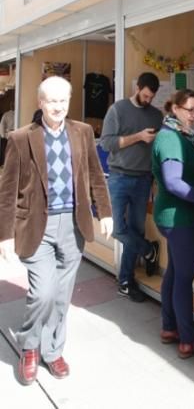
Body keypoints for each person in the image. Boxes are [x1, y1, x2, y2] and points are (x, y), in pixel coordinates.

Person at [0, 76, 113, 385]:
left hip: (73, 225)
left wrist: (103, 211)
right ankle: (30, 346)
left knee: (62, 296)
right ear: (40, 103)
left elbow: (94, 174)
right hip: (37, 225)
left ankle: (52, 351)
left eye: (63, 100)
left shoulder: (83, 132)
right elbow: (7, 190)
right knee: (43, 293)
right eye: (52, 101)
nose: (58, 107)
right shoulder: (21, 138)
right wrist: (5, 234)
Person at [152, 89, 194, 359]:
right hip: (181, 217)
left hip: (177, 217)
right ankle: (188, 340)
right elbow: (174, 183)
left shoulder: (182, 136)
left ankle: (169, 327)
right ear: (174, 108)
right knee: (183, 279)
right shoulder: (171, 138)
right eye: (189, 109)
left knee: (176, 273)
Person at [100, 72, 162, 302]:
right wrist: (137, 137)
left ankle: (125, 281)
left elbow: (157, 150)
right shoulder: (118, 110)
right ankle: (148, 250)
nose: (148, 100)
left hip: (144, 178)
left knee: (136, 229)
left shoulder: (156, 115)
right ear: (138, 87)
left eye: (151, 97)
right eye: (145, 95)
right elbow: (106, 143)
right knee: (117, 228)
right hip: (118, 176)